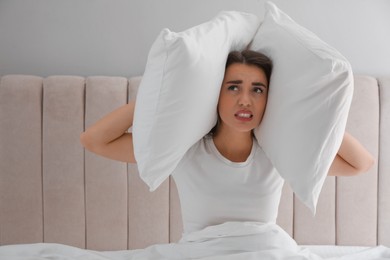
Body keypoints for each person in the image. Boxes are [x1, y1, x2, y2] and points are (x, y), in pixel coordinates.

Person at [80, 49, 374, 236]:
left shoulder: (277, 152)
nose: (245, 100)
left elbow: (361, 164)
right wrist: (160, 95)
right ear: (214, 93)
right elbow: (94, 140)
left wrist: (305, 113)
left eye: (257, 89)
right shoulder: (185, 149)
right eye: (233, 87)